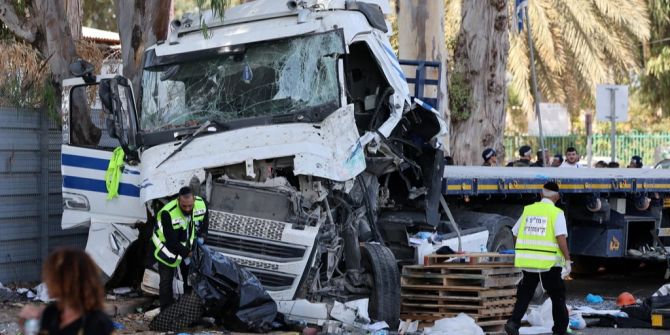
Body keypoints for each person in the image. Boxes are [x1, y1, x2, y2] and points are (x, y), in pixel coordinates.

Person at [505, 182, 571, 335]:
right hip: (549, 263)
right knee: (557, 295)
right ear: (558, 196)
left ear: (541, 194)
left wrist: (523, 251)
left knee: (525, 292)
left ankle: (513, 323)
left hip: (528, 261)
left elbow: (515, 233)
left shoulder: (529, 210)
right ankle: (560, 329)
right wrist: (567, 260)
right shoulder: (556, 213)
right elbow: (560, 237)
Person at [19, 248, 115, 335]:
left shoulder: (98, 324)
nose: (46, 280)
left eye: (51, 275)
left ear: (66, 281)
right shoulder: (50, 313)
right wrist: (26, 327)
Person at [152, 186, 209, 309]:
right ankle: (165, 313)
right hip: (167, 249)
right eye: (184, 206)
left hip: (187, 247)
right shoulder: (168, 212)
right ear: (178, 200)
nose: (187, 209)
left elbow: (204, 226)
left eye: (190, 206)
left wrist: (202, 239)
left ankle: (188, 309)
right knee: (166, 282)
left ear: (194, 199)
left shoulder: (201, 204)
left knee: (190, 280)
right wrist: (188, 253)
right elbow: (171, 241)